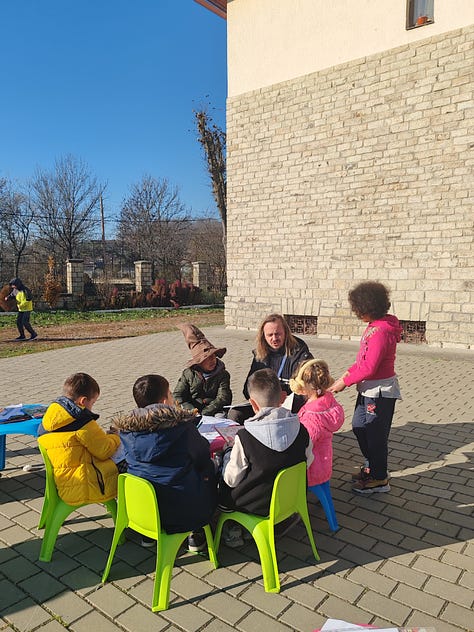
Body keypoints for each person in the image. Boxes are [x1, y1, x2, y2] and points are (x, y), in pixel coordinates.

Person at [112, 374, 218, 552]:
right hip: (181, 509)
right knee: (208, 467)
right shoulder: (182, 428)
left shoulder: (126, 430)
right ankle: (195, 533)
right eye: (170, 394)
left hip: (143, 509)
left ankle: (148, 534)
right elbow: (202, 454)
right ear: (164, 401)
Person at [219, 368, 313, 547]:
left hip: (256, 504)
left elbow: (231, 479)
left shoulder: (244, 438)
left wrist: (227, 454)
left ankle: (234, 530)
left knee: (222, 486)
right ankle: (279, 522)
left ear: (253, 404)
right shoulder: (302, 430)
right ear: (283, 398)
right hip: (291, 498)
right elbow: (308, 462)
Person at [329, 281, 402, 494]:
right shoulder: (374, 326)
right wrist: (347, 374)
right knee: (360, 427)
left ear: (368, 307)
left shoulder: (381, 330)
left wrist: (345, 382)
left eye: (358, 309)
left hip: (379, 392)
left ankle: (379, 479)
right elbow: (362, 361)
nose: (356, 313)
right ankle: (373, 467)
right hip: (367, 389)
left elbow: (370, 366)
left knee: (375, 435)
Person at [38, 373, 120, 505]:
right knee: (126, 463)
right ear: (83, 401)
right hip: (84, 486)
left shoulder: (50, 416)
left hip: (62, 482)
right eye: (93, 402)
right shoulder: (82, 422)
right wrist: (115, 437)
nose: (92, 406)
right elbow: (105, 451)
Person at [228, 313, 313, 423]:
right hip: (264, 407)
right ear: (263, 336)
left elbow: (309, 388)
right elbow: (248, 388)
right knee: (235, 414)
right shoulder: (261, 354)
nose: (274, 339)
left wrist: (281, 400)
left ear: (286, 333)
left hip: (289, 408)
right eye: (270, 335)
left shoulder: (299, 353)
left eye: (278, 334)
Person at [289, 359, 344, 487]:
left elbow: (304, 444)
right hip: (324, 465)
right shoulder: (328, 402)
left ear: (303, 386)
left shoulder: (311, 417)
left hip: (311, 471)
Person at [173, 324, 232, 416]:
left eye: (213, 356)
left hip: (215, 410)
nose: (212, 360)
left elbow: (223, 398)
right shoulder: (188, 374)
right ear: (199, 362)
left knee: (220, 418)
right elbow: (178, 396)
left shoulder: (223, 374)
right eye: (207, 358)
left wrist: (204, 413)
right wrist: (191, 410)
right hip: (191, 411)